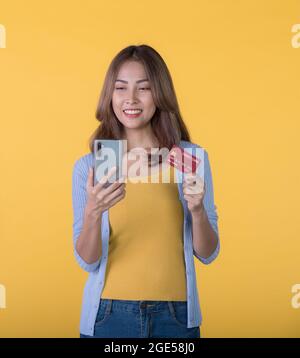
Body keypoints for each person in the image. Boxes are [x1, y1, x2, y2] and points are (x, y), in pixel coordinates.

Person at [72, 44, 220, 338]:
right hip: (108, 316)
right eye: (121, 88)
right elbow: (87, 261)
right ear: (109, 95)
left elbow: (208, 253)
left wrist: (198, 211)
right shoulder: (93, 165)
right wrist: (92, 213)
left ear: (160, 94)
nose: (131, 99)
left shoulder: (188, 158)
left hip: (176, 319)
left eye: (144, 88)